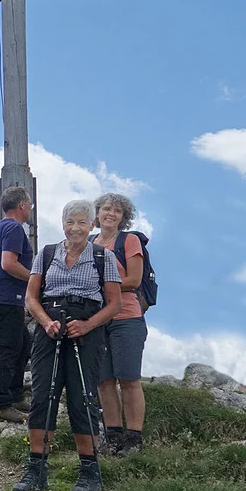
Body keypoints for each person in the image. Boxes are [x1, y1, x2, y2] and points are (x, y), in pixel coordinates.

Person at [14, 199, 121, 491]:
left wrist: (88, 325)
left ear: (91, 226)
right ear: (63, 224)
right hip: (50, 328)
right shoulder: (47, 254)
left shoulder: (103, 257)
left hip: (86, 331)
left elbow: (115, 303)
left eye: (82, 223)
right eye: (70, 222)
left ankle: (89, 472)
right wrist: (46, 322)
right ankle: (36, 470)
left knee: (82, 397)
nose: (75, 228)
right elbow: (31, 297)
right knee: (42, 396)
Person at [92, 193, 148, 457]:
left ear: (124, 217)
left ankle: (134, 438)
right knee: (104, 381)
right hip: (97, 319)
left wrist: (102, 286)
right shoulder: (89, 242)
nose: (110, 214)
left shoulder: (130, 240)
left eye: (116, 211)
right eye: (106, 209)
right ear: (98, 213)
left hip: (127, 317)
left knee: (129, 379)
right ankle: (113, 435)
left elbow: (134, 280)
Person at [0, 186, 35, 424]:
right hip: (6, 297)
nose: (31, 209)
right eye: (30, 205)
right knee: (10, 348)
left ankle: (14, 394)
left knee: (24, 343)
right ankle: (1, 402)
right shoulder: (14, 228)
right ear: (22, 205)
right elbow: (9, 263)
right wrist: (36, 280)